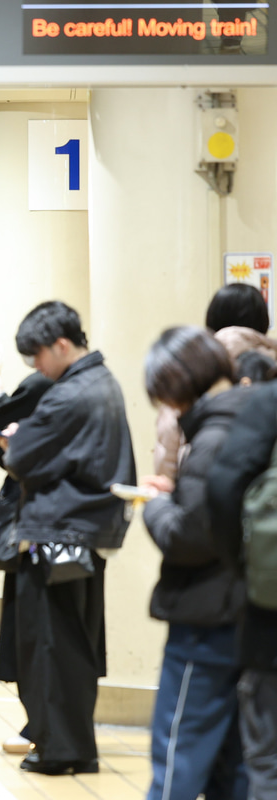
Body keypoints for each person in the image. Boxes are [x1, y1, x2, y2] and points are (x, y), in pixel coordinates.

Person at [0, 300, 135, 775]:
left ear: (61, 345)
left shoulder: (68, 395)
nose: (36, 367)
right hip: (85, 532)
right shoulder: (103, 383)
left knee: (50, 642)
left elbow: (21, 456)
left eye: (37, 355)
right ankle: (74, 745)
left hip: (57, 529)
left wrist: (12, 440)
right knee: (75, 643)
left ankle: (59, 750)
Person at [137, 327, 249, 800]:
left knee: (178, 752)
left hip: (206, 618)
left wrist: (155, 505)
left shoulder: (213, 438)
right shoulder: (251, 420)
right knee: (234, 764)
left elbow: (190, 536)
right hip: (248, 613)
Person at [0, 370, 54, 754]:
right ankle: (40, 723)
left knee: (37, 639)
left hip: (45, 538)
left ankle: (44, 726)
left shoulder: (53, 393)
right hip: (33, 531)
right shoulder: (50, 389)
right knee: (26, 638)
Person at [206, 380, 277, 800]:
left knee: (268, 761)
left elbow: (224, 487)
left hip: (271, 622)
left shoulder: (269, 403)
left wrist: (245, 567)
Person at [155, 283, 277, 479]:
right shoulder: (272, 364)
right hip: (264, 495)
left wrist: (165, 491)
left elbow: (170, 434)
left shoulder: (196, 365)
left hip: (201, 487)